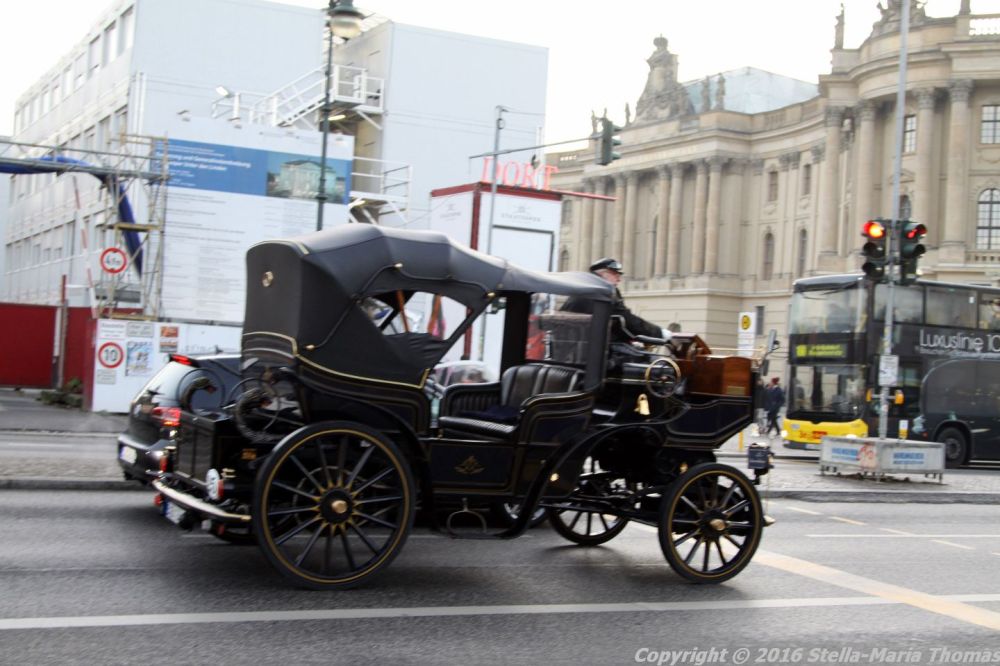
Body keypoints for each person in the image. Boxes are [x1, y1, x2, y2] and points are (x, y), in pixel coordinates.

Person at [562, 258, 664, 342]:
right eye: (615, 275)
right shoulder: (604, 292)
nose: (619, 279)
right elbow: (627, 320)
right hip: (596, 351)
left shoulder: (582, 290)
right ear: (604, 274)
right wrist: (659, 333)